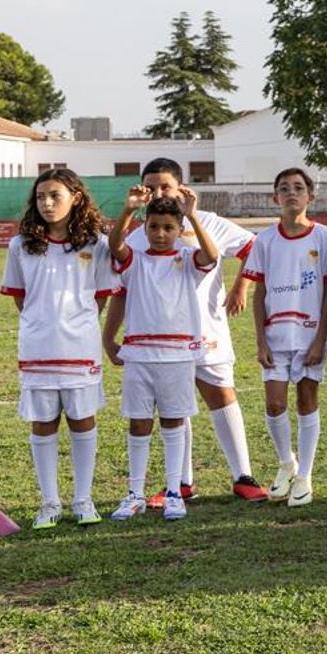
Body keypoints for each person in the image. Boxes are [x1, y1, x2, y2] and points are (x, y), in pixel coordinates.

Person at [102, 157, 268, 506]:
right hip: (155, 339)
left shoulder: (208, 222)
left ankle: (243, 475)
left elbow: (254, 249)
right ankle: (182, 482)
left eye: (166, 186)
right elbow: (122, 287)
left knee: (221, 396)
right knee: (173, 406)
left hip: (207, 329)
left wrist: (241, 287)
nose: (159, 192)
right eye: (152, 187)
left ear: (182, 187)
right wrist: (109, 334)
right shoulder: (140, 231)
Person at [1, 169, 121, 528]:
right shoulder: (20, 244)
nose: (47, 203)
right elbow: (20, 297)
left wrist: (76, 323)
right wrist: (43, 323)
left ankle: (83, 500)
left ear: (76, 198)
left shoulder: (96, 243)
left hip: (80, 348)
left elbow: (100, 297)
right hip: (38, 348)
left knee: (82, 420)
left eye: (55, 195)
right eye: (41, 197)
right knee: (44, 423)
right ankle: (49, 503)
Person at [104, 187, 220, 521]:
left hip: (177, 355)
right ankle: (135, 493)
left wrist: (194, 216)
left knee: (173, 422)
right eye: (153, 227)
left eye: (168, 228)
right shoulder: (136, 261)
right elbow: (115, 246)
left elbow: (211, 256)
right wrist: (128, 210)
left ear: (179, 229)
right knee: (139, 423)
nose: (160, 234)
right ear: (145, 226)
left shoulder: (186, 259)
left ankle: (173, 492)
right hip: (139, 355)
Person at [240, 168, 327, 507]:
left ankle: (305, 476)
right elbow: (259, 290)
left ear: (310, 195)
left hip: (310, 335)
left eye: (298, 187)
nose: (291, 193)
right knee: (275, 403)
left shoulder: (324, 236)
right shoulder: (266, 240)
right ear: (275, 198)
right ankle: (286, 463)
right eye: (284, 188)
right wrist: (261, 340)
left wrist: (320, 337)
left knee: (307, 401)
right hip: (276, 336)